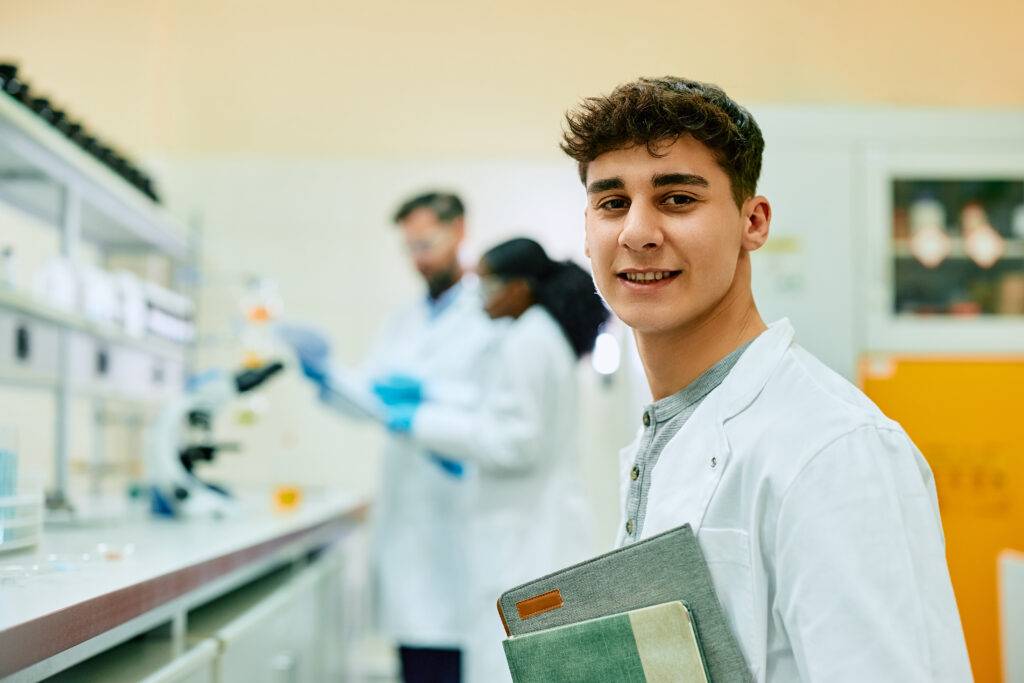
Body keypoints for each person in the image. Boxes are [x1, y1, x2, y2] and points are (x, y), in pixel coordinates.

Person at [561, 77, 972, 681]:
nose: (638, 233)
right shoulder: (671, 431)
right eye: (612, 202)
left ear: (753, 221)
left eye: (677, 199)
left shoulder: (834, 449)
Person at [283, 191, 498, 683]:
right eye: (410, 247)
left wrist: (427, 400)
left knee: (462, 655)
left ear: (459, 231)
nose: (419, 258)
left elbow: (496, 405)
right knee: (417, 652)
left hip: (462, 507)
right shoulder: (402, 321)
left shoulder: (489, 314)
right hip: (410, 518)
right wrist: (326, 375)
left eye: (427, 242)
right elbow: (370, 396)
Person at [378, 237, 608, 683]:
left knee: (505, 666)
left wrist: (421, 422)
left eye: (487, 285)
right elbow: (498, 408)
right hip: (531, 533)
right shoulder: (538, 333)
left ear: (519, 288)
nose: (478, 297)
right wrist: (432, 398)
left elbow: (516, 443)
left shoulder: (527, 340)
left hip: (525, 542)